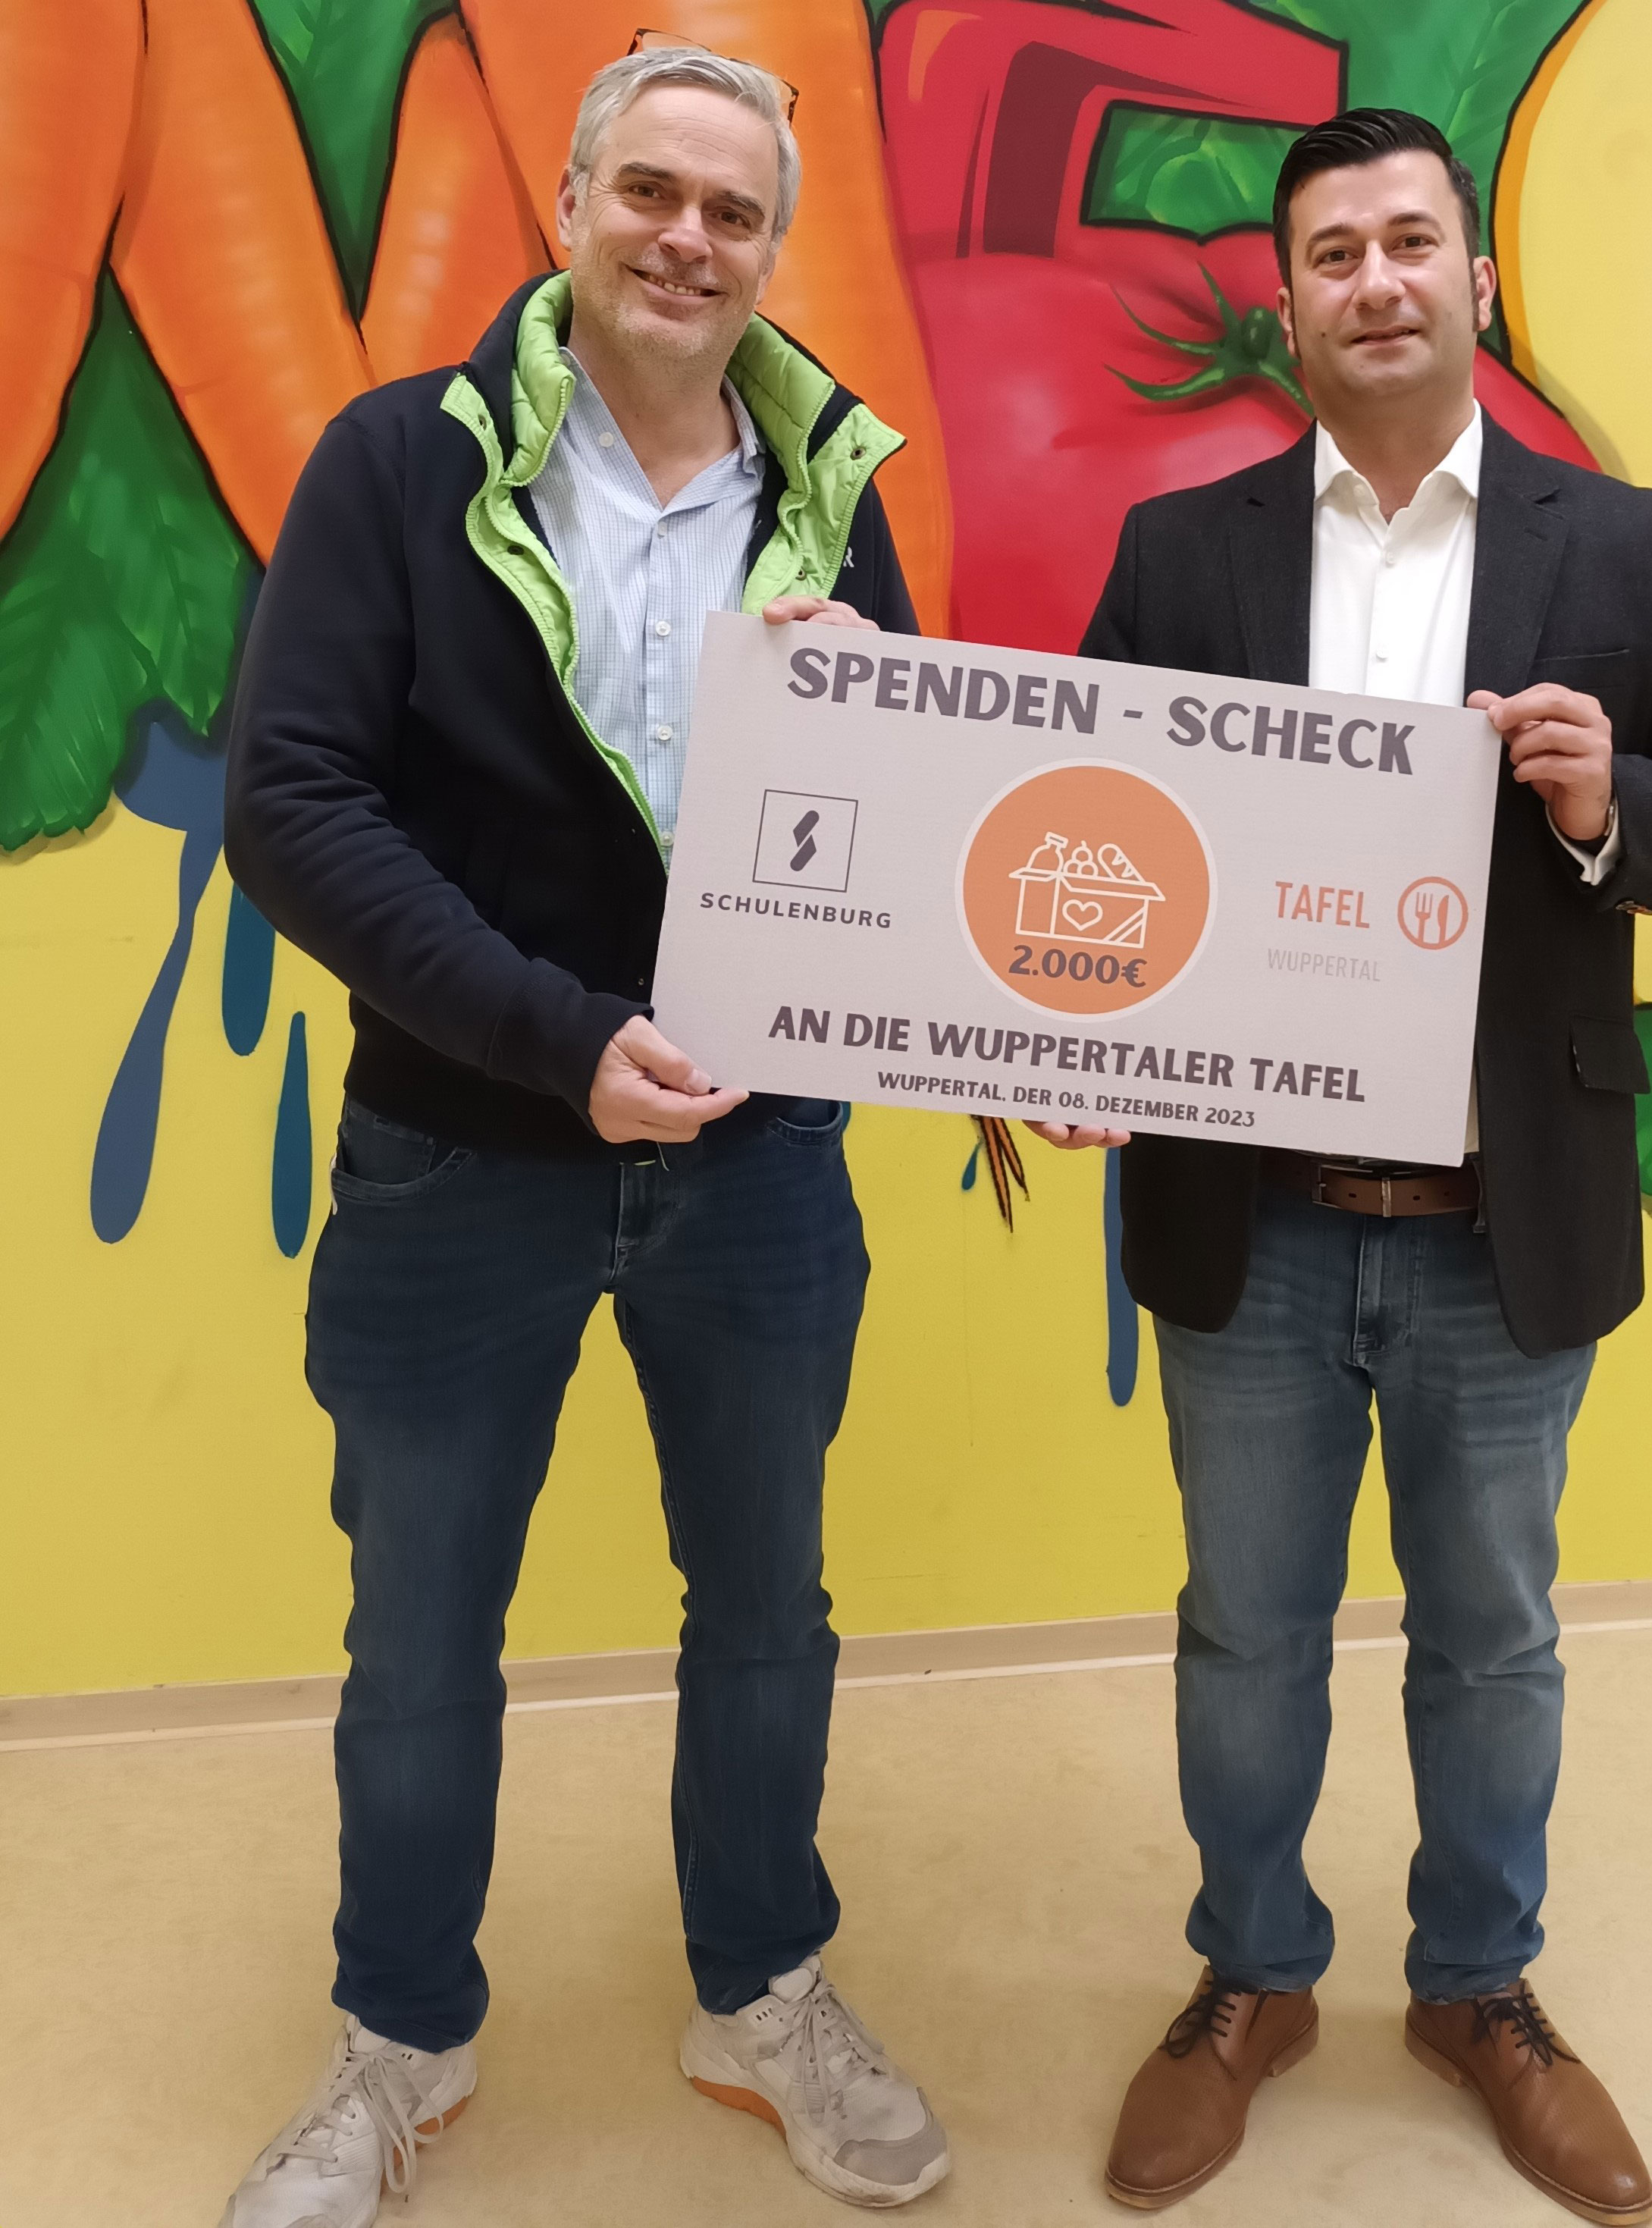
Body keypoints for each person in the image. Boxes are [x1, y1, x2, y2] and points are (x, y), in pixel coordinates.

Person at [1033, 109, 1652, 2223]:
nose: (1374, 280)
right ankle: (1252, 1979)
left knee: (1493, 1635)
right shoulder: (1182, 557)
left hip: (1501, 1220)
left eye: (1408, 244)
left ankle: (1481, 1986)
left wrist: (1601, 801)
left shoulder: (1622, 546)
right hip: (1251, 1219)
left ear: (1475, 282)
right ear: (1288, 307)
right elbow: (1071, 840)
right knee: (1245, 1630)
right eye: (1334, 254)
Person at [219, 44, 949, 2223]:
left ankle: (760, 1991)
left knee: (767, 1611)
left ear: (768, 250)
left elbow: (896, 852)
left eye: (734, 212)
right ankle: (399, 2044)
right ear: (570, 202)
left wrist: (860, 724)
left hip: (758, 1170)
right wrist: (557, 1038)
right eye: (652, 190)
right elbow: (297, 811)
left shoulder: (827, 492)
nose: (688, 239)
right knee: (422, 1633)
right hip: (461, 1160)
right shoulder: (395, 467)